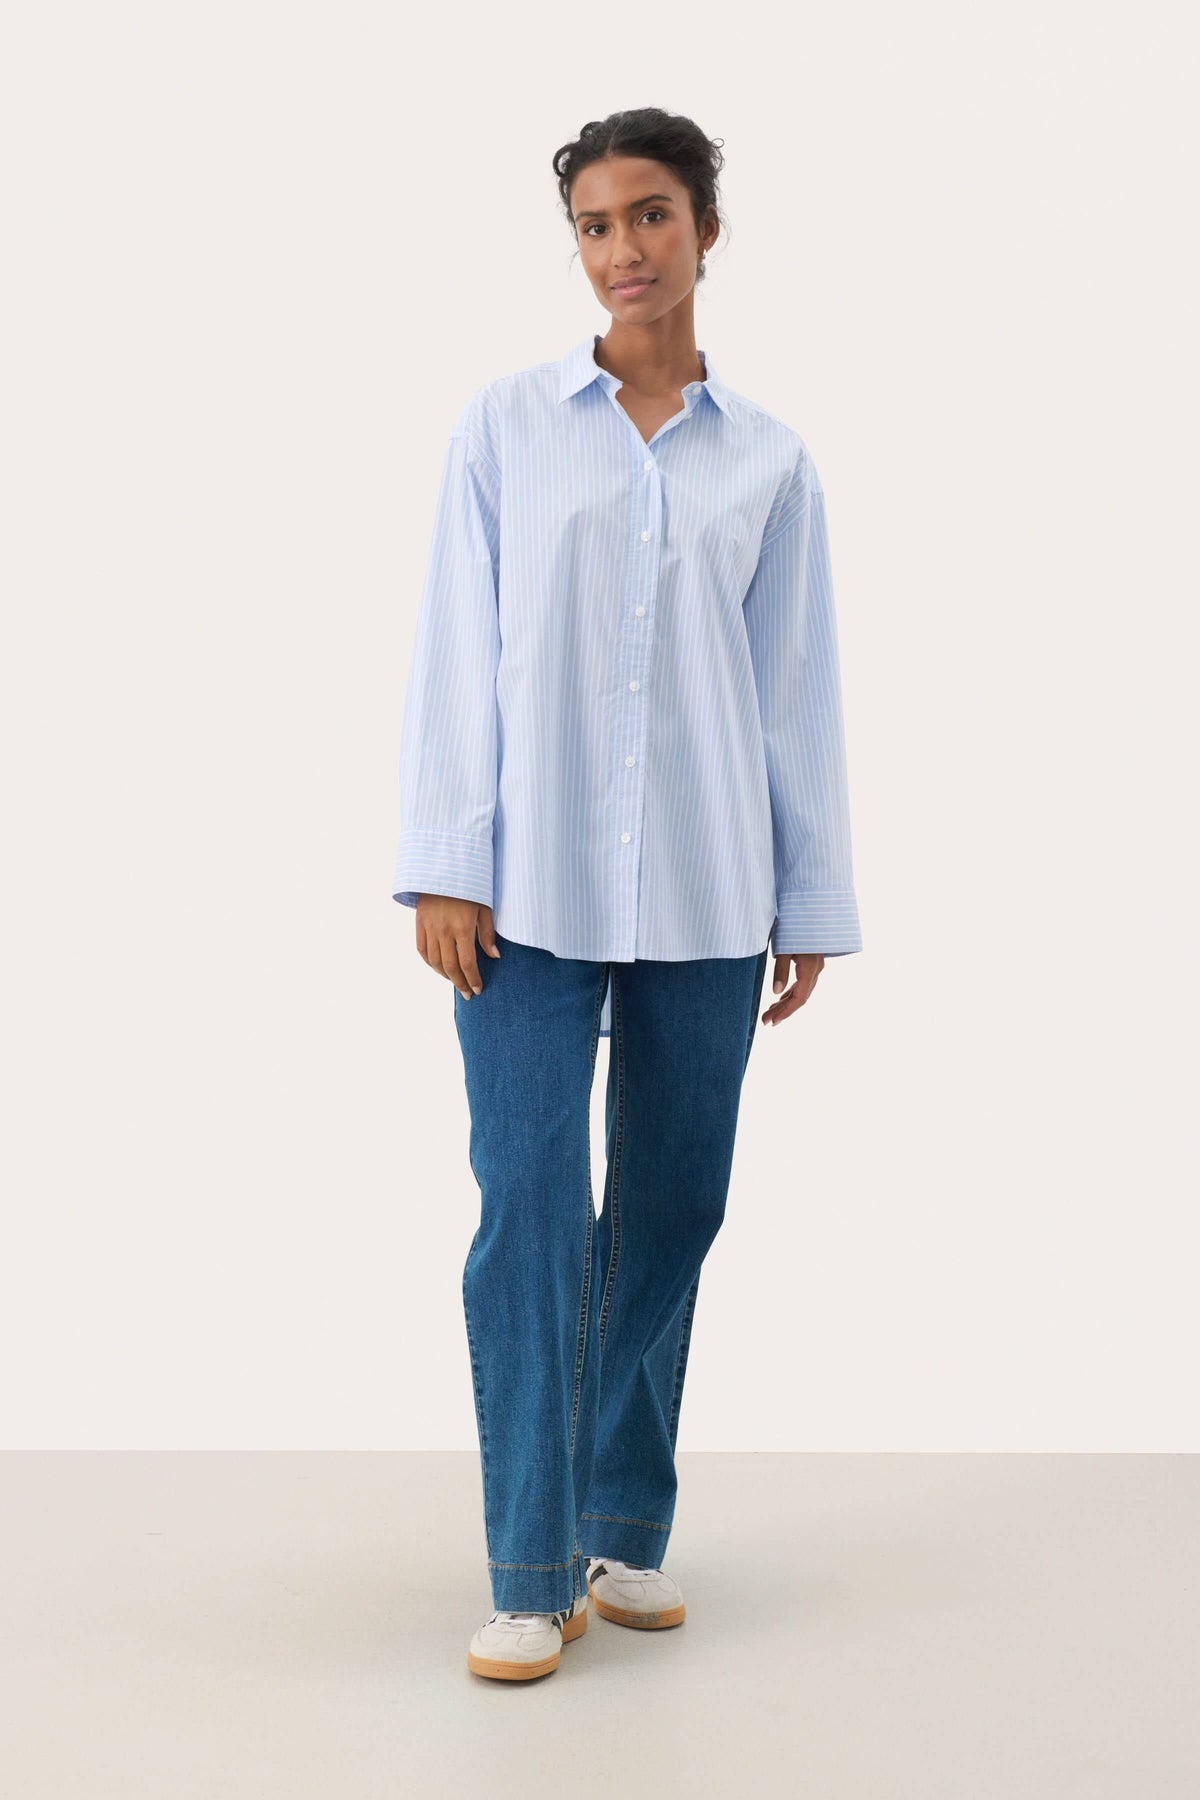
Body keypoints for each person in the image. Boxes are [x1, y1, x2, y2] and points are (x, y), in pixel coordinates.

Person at [391, 107, 863, 1682]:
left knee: (670, 1204)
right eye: (595, 224)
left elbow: (794, 693)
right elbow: (458, 646)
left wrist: (810, 901)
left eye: (650, 215)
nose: (624, 249)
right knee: (530, 1201)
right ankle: (532, 1569)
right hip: (520, 890)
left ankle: (619, 1525)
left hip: (713, 888)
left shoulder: (770, 460)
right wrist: (445, 862)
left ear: (705, 229)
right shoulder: (507, 428)